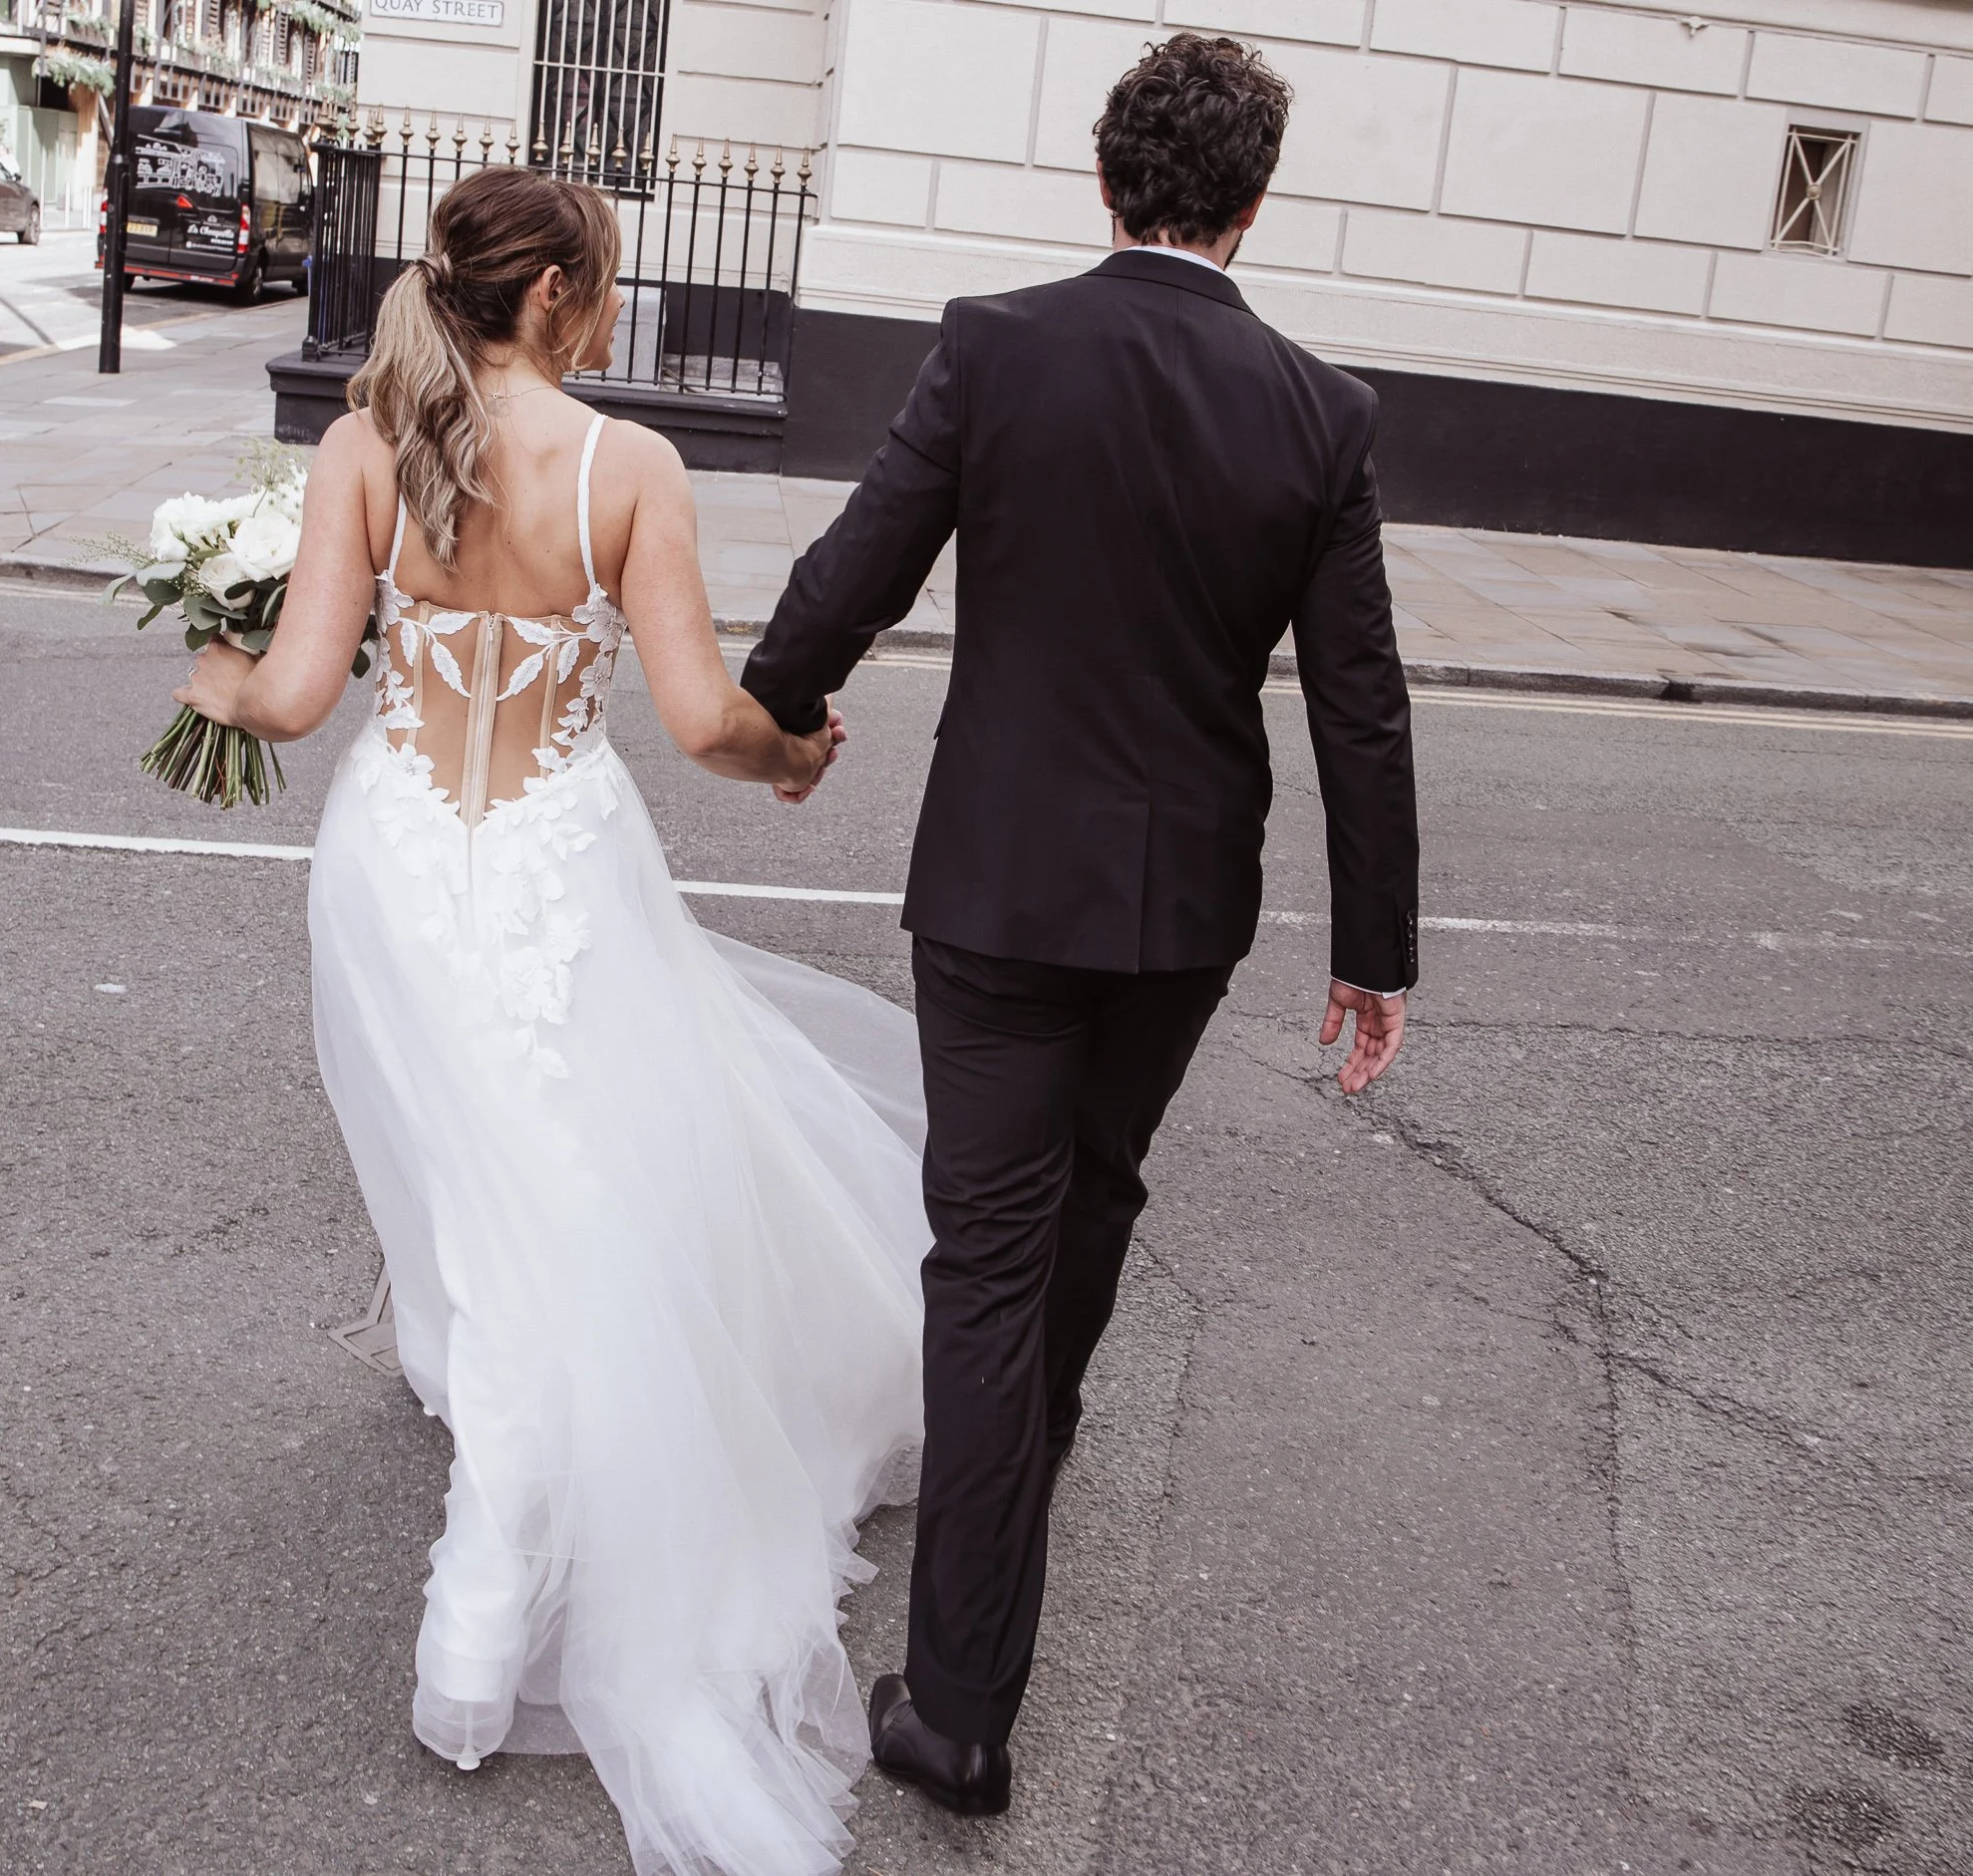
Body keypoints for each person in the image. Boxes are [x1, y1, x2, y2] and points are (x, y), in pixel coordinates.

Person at [176, 164, 933, 1876]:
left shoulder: (366, 444)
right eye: (601, 289)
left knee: (478, 1176)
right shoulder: (630, 467)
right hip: (555, 867)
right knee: (563, 1182)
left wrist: (207, 674)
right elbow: (700, 719)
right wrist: (797, 755)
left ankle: (484, 1567)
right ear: (550, 303)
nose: (609, 312)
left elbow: (295, 696)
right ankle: (486, 1589)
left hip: (397, 864)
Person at [742, 33, 1420, 1816]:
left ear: (1106, 183)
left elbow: (860, 563)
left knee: (985, 1252)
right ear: (1254, 203)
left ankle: (960, 1702)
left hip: (996, 881)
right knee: (1092, 1194)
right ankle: (1020, 1466)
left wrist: (781, 710)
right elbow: (1361, 702)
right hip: (1183, 902)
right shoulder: (1321, 410)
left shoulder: (996, 344)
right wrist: (1375, 950)